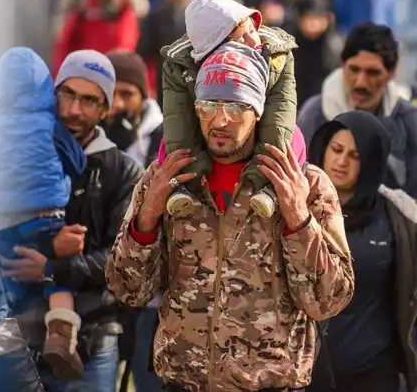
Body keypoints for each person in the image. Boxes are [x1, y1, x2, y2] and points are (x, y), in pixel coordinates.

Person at [106, 40, 355, 392]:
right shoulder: (168, 179)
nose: (220, 120)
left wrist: (298, 219)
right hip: (183, 383)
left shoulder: (304, 183)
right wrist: (147, 219)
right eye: (208, 105)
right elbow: (127, 289)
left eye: (236, 106)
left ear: (258, 110)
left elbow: (331, 298)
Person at [3, 50, 143, 392]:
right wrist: (47, 248)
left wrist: (54, 268)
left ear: (105, 108)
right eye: (67, 94)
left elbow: (123, 259)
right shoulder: (18, 152)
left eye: (89, 100)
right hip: (15, 334)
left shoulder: (123, 171)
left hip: (94, 335)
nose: (73, 110)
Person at [0, 47, 87, 388]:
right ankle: (61, 329)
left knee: (1, 292)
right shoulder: (50, 125)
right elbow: (77, 162)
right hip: (45, 217)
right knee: (60, 271)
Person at [306, 111, 417, 392]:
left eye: (355, 156)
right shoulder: (293, 207)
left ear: (371, 162)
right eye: (337, 149)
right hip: (302, 372)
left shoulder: (399, 218)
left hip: (373, 372)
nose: (341, 162)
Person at [160, 0, 297, 220]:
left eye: (252, 29)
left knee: (287, 140)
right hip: (205, 124)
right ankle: (183, 189)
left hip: (255, 127)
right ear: (212, 48)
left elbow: (281, 111)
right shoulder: (180, 63)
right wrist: (186, 175)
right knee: (172, 144)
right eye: (241, 39)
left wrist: (262, 175)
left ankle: (268, 190)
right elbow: (179, 120)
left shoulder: (275, 54)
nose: (254, 41)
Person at [297, 23, 417, 196]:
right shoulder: (315, 115)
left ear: (392, 72)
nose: (360, 82)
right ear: (342, 65)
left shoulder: (407, 122)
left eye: (373, 73)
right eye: (354, 69)